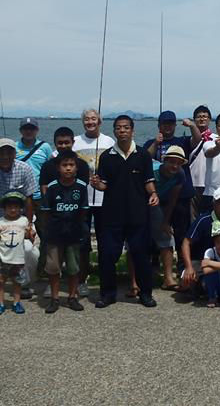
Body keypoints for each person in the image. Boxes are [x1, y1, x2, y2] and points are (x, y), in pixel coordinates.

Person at [90, 115, 160, 308]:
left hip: (138, 214)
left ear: (132, 131)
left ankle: (145, 294)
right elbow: (104, 185)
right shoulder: (106, 157)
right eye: (118, 128)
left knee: (141, 256)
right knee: (107, 255)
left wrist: (153, 194)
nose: (122, 131)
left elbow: (148, 181)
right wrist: (96, 184)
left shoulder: (143, 155)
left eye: (126, 127)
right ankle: (107, 294)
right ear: (114, 131)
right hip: (112, 215)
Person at [0, 138, 40, 300]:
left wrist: (29, 226)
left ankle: (24, 284)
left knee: (29, 250)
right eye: (1, 152)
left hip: (21, 220)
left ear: (14, 153)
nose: (5, 155)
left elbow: (30, 200)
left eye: (9, 152)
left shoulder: (25, 169)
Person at [39, 127, 90, 299]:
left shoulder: (82, 165)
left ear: (73, 142)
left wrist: (78, 222)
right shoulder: (48, 166)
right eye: (59, 143)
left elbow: (81, 194)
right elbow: (45, 190)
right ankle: (53, 292)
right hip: (55, 225)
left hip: (75, 224)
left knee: (76, 259)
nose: (63, 145)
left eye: (66, 142)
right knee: (52, 260)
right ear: (55, 144)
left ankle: (77, 288)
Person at [144, 110, 199, 262]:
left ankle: (183, 265)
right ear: (159, 125)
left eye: (170, 123)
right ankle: (154, 264)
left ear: (175, 125)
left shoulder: (182, 141)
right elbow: (145, 160)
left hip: (181, 195)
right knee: (156, 231)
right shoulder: (151, 142)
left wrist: (192, 125)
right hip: (158, 197)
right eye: (164, 123)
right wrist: (156, 143)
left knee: (182, 232)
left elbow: (197, 139)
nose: (167, 126)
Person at [72, 109, 115, 297]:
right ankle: (81, 279)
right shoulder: (75, 141)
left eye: (93, 119)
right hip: (82, 200)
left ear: (100, 121)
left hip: (104, 199)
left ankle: (107, 279)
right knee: (82, 242)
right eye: (86, 119)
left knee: (106, 241)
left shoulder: (109, 142)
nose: (90, 122)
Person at [143, 145, 188, 291]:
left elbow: (173, 199)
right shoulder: (153, 169)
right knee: (139, 238)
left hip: (161, 203)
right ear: (165, 161)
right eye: (171, 162)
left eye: (178, 163)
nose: (174, 166)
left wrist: (165, 222)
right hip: (141, 200)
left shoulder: (180, 174)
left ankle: (168, 278)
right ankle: (138, 279)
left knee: (166, 237)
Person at [0, 192, 36, 316]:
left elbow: (28, 238)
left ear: (20, 208)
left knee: (17, 282)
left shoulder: (24, 220)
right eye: (9, 207)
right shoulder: (0, 221)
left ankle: (16, 302)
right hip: (2, 257)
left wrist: (29, 233)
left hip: (17, 258)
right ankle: (0, 303)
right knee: (0, 282)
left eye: (16, 207)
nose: (13, 209)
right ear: (4, 208)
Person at [15, 117, 54, 239]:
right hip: (20, 196)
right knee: (21, 230)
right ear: (20, 130)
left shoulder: (45, 147)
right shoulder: (14, 147)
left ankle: (44, 257)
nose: (28, 131)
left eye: (31, 128)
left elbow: (51, 168)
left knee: (45, 231)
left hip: (40, 196)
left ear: (37, 130)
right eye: (25, 129)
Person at [186, 105, 216, 214]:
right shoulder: (188, 140)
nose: (202, 119)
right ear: (194, 120)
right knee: (192, 219)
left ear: (210, 119)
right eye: (199, 116)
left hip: (211, 184)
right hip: (193, 184)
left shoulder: (216, 139)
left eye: (205, 116)